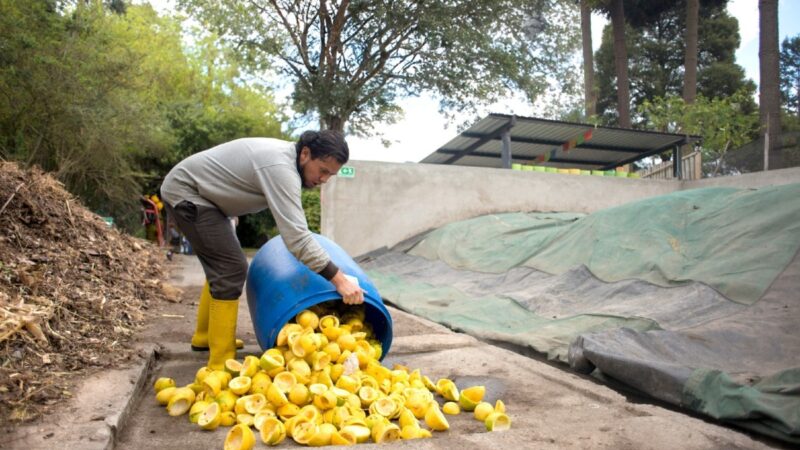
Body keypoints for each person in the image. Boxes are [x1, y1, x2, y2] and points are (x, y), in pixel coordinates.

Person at [160, 131, 363, 370]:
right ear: (305, 153)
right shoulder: (280, 167)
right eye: (323, 170)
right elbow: (297, 238)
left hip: (209, 199)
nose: (324, 179)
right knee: (231, 269)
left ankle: (205, 337)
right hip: (187, 192)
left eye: (331, 174)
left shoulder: (286, 161)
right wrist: (339, 280)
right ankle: (220, 363)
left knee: (223, 267)